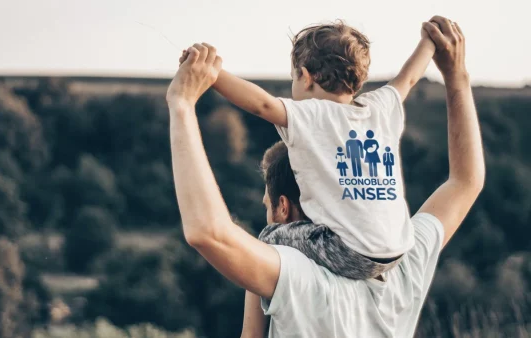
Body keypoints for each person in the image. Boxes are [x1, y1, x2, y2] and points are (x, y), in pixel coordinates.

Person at [166, 15, 484, 337]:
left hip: (325, 256)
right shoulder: (407, 257)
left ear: (283, 207)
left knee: (267, 237)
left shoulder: (294, 276)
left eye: (268, 204)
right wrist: (454, 73)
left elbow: (210, 233)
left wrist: (184, 102)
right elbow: (465, 181)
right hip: (389, 258)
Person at [179, 19, 436, 282]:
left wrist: (210, 73)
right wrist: (429, 43)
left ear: (306, 76)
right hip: (399, 248)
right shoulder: (379, 108)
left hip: (348, 253)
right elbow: (409, 77)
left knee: (269, 237)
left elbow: (262, 106)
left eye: (293, 77)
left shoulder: (311, 114)